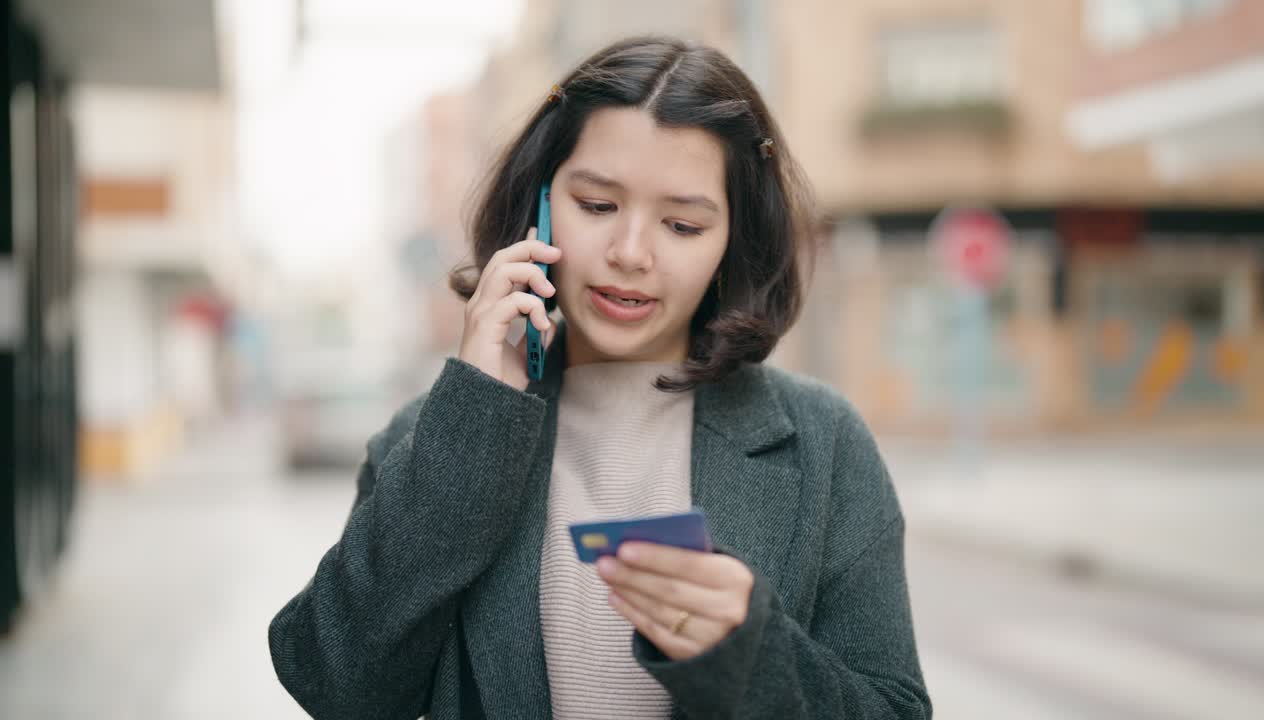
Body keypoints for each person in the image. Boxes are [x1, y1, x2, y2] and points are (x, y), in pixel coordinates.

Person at [269, 35, 931, 720]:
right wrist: (474, 415)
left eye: (680, 224)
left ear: (731, 241)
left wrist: (749, 652)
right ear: (541, 206)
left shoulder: (822, 444)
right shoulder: (434, 436)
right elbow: (335, 685)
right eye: (597, 206)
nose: (630, 253)